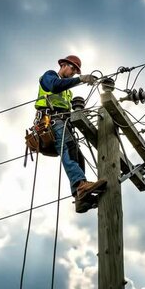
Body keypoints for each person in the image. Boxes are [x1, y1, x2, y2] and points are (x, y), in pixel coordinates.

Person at [35, 55, 107, 213]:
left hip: (64, 123)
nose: (73, 72)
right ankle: (80, 185)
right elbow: (54, 86)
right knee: (67, 147)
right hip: (51, 122)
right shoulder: (49, 76)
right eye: (72, 68)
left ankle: (80, 197)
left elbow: (66, 107)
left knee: (77, 155)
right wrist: (81, 79)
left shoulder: (68, 94)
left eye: (76, 71)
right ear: (62, 64)